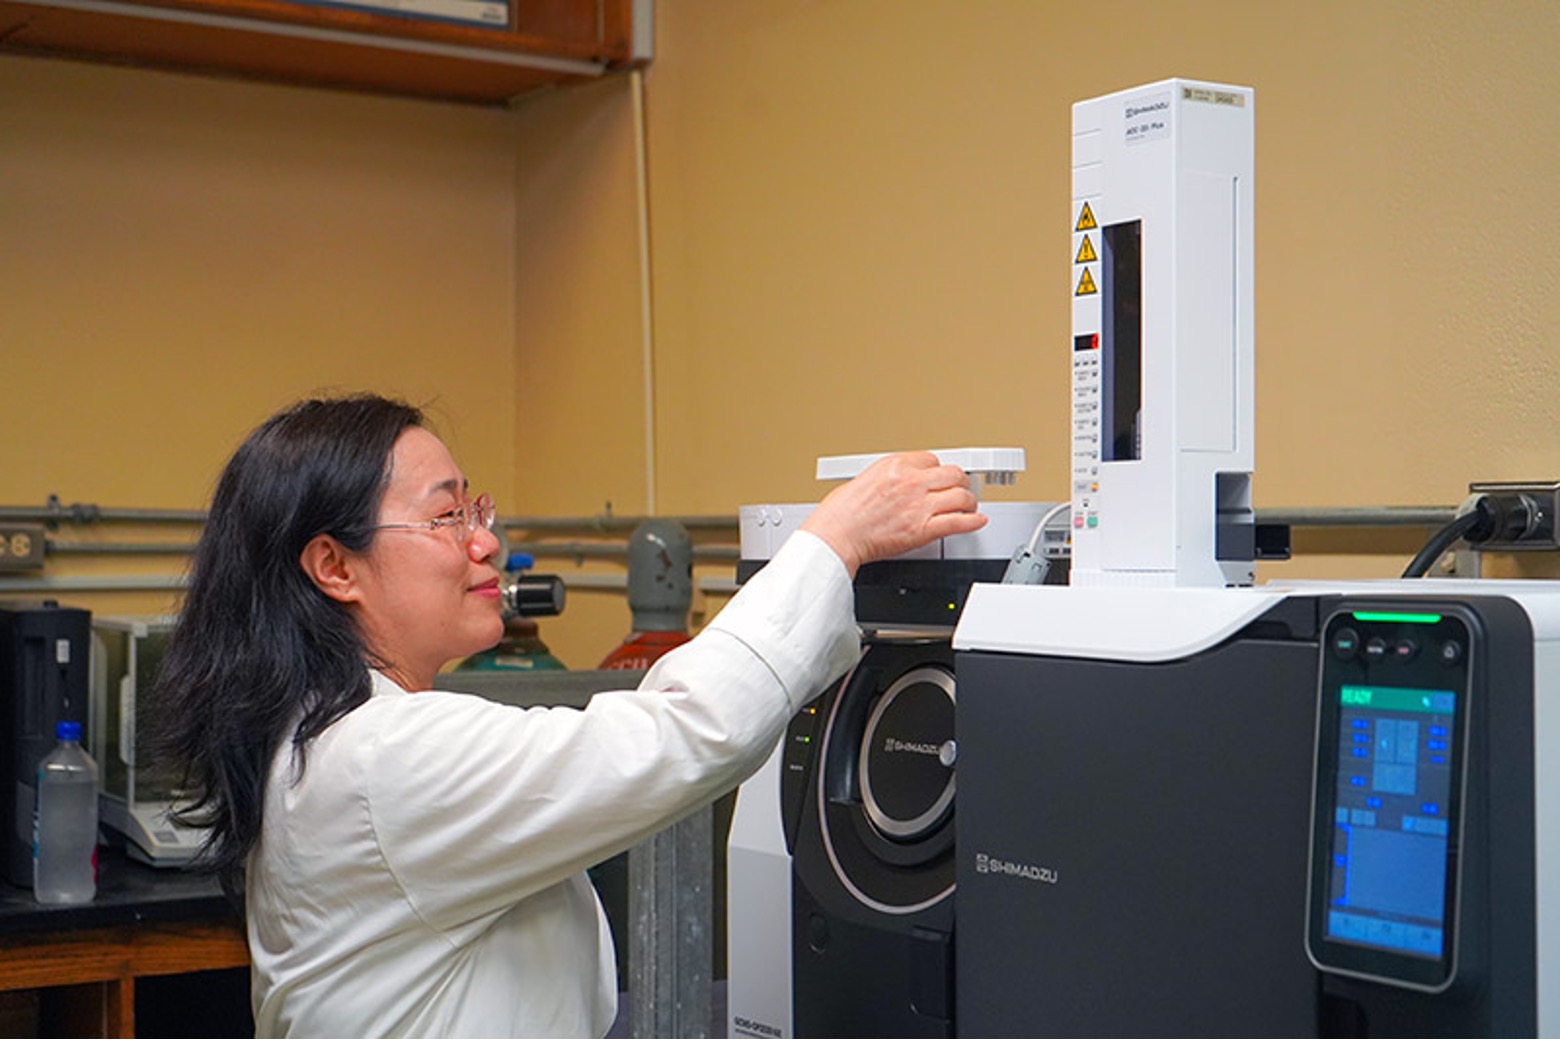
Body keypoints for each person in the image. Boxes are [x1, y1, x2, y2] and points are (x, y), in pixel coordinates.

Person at [147, 392, 986, 1038]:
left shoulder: (332, 736)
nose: (484, 543)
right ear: (334, 566)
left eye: (474, 510)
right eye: (445, 516)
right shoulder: (383, 757)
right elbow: (680, 735)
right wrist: (835, 540)